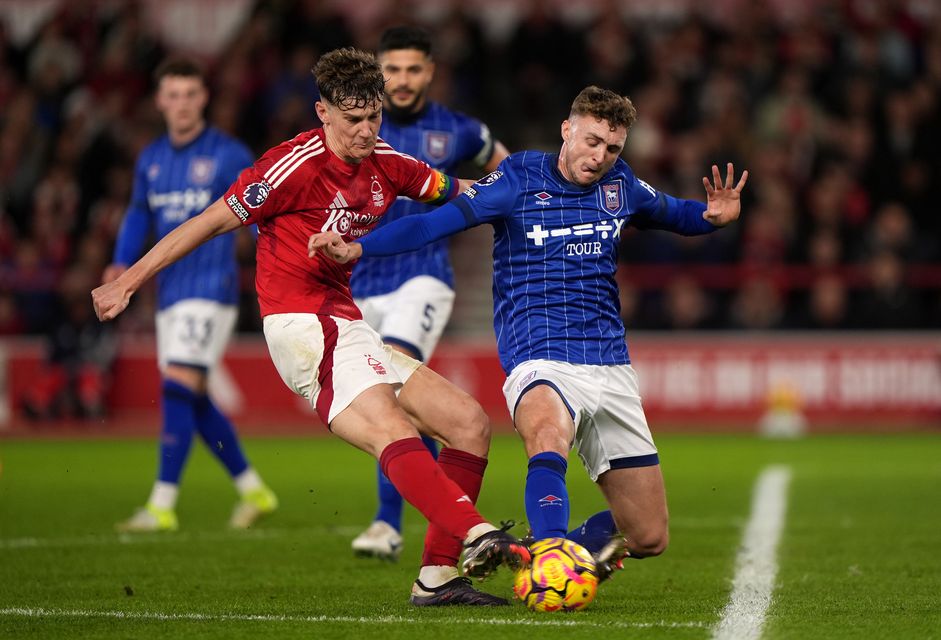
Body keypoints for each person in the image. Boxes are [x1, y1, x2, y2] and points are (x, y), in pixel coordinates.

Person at [92, 48, 530, 606]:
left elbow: (457, 191)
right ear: (322, 112)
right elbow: (206, 221)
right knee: (391, 430)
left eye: (373, 117)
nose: (366, 129)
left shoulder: (388, 162)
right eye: (353, 119)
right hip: (300, 324)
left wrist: (525, 193)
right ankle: (477, 533)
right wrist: (128, 280)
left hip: (347, 322)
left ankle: (438, 578)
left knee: (467, 422)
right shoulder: (290, 167)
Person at [310, 85, 748, 581]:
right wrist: (358, 247)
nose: (600, 156)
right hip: (538, 355)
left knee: (648, 535)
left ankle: (538, 550)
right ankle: (548, 557)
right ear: (567, 130)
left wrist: (712, 218)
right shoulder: (518, 177)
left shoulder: (620, 185)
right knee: (546, 433)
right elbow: (432, 226)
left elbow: (676, 213)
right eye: (591, 141)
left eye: (612, 148)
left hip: (610, 363)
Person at [349, 25, 510, 562]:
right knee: (387, 401)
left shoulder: (458, 131)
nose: (401, 80)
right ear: (377, 71)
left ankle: (386, 523)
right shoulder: (357, 128)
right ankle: (450, 492)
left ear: (430, 72)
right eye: (391, 69)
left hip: (423, 275)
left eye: (412, 69)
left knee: (393, 386)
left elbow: (507, 171)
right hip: (357, 282)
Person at [103, 58, 278, 532]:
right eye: (172, 95)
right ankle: (253, 490)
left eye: (190, 94)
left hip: (211, 288)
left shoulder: (227, 154)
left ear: (204, 99)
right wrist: (122, 265)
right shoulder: (151, 159)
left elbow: (262, 212)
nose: (181, 104)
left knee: (177, 387)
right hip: (170, 294)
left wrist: (280, 261)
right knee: (192, 398)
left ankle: (161, 505)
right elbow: (139, 214)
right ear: (160, 101)